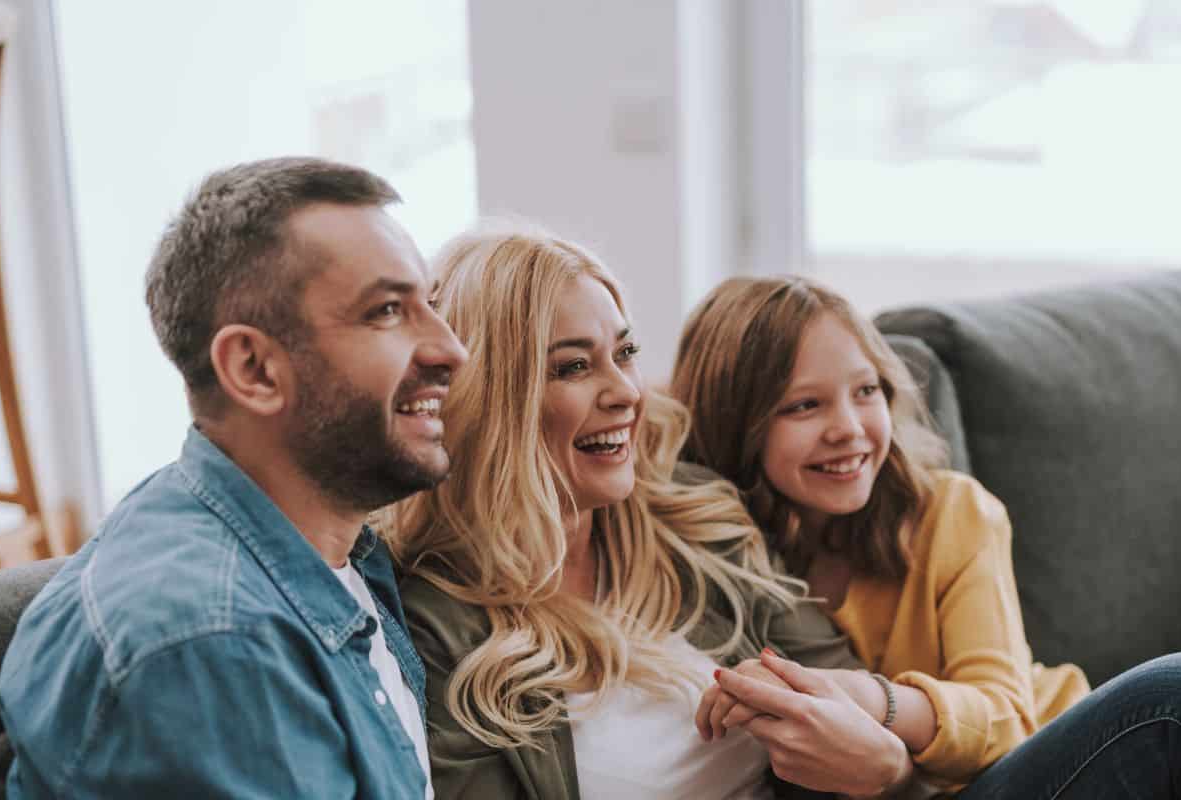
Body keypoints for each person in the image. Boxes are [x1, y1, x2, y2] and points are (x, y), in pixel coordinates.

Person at [671, 275, 1181, 799]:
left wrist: (873, 699)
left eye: (865, 391)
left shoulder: (950, 512)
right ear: (737, 424)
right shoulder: (714, 547)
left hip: (1038, 763)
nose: (849, 427)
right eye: (803, 406)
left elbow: (1006, 718)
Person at [385, 222, 915, 799]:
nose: (627, 392)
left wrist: (888, 770)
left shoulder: (696, 525)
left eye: (626, 353)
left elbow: (859, 716)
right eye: (573, 367)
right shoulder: (438, 626)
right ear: (490, 397)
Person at [0, 157, 467, 798]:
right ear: (254, 370)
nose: (450, 349)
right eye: (386, 311)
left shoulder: (331, 541)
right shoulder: (211, 648)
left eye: (430, 305)